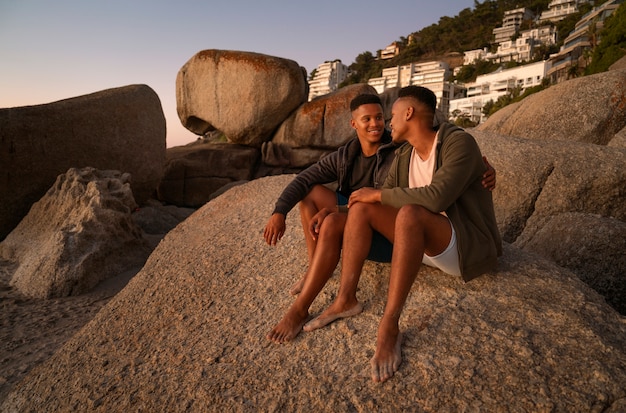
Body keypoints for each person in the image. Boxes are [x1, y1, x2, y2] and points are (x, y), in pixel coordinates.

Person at [302, 85, 502, 383]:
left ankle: (390, 325)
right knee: (364, 208)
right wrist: (335, 211)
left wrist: (376, 196)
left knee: (407, 212)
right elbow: (379, 199)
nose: (389, 122)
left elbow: (435, 199)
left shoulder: (458, 143)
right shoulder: (405, 154)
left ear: (409, 112)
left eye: (393, 114)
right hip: (420, 244)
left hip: (459, 246)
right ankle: (346, 299)